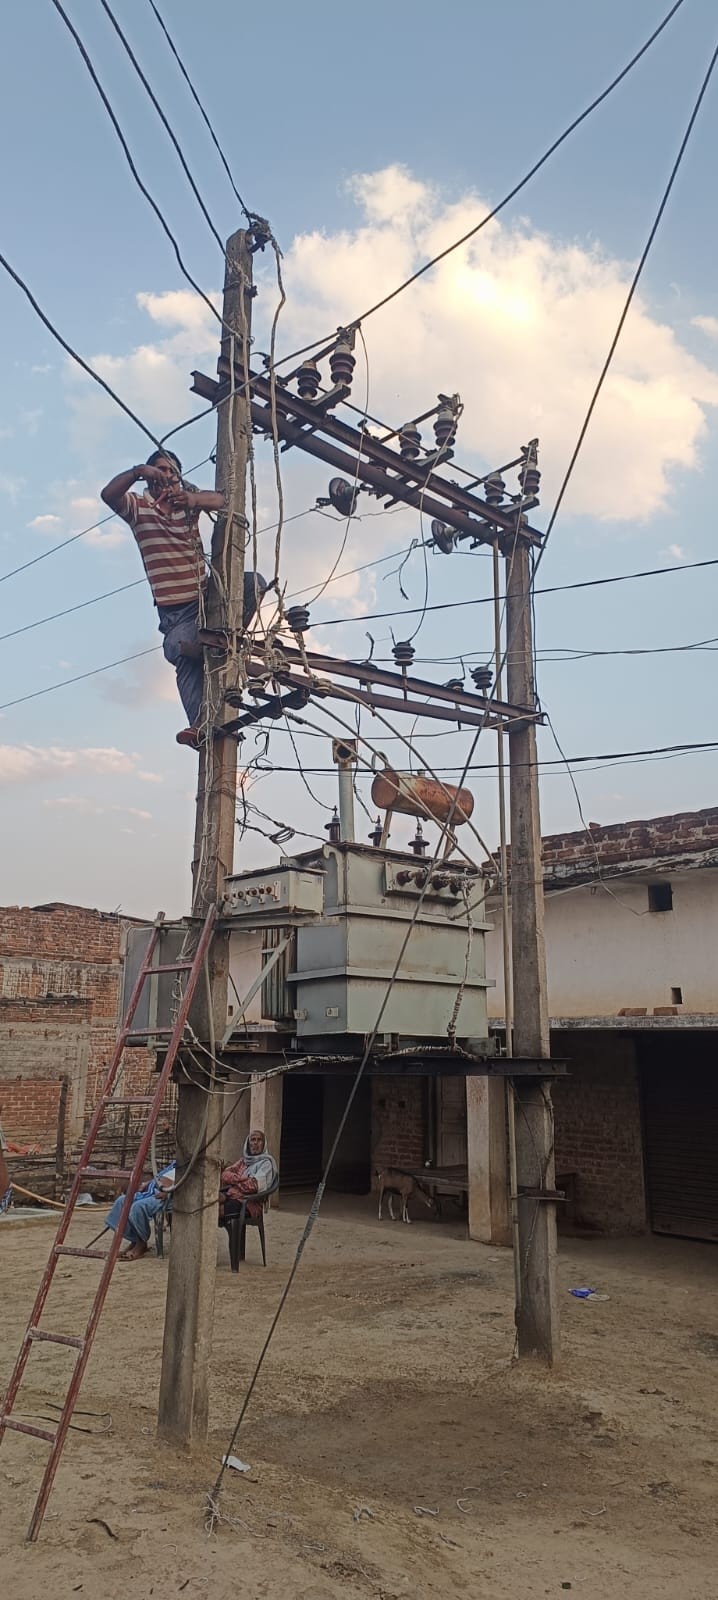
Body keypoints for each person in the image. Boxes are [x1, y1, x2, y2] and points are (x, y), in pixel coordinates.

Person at [100, 450, 266, 750]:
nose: (165, 475)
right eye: (159, 469)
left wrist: (191, 499)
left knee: (254, 583)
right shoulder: (139, 507)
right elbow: (108, 495)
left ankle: (230, 642)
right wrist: (138, 471)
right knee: (182, 651)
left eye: (170, 471)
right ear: (149, 476)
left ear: (178, 477)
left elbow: (222, 500)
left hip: (207, 597)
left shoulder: (186, 502)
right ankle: (201, 725)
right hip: (176, 614)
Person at [104, 1162, 175, 1263]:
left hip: (168, 1196)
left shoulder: (192, 1165)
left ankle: (141, 1243)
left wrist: (168, 1191)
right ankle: (135, 1240)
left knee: (138, 1207)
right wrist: (148, 1184)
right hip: (153, 1191)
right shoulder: (176, 1163)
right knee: (122, 1201)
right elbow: (160, 1176)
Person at [220, 1130, 277, 1223]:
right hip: (233, 1195)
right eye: (253, 1139)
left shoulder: (266, 1163)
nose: (255, 1143)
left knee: (217, 1211)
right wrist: (241, 1179)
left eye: (259, 1140)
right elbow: (225, 1174)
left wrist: (233, 1181)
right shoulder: (244, 1160)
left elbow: (253, 1186)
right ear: (248, 1144)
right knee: (211, 1201)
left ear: (264, 1144)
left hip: (249, 1203)